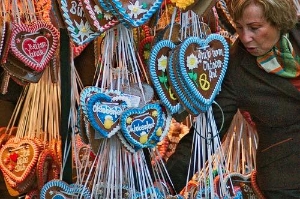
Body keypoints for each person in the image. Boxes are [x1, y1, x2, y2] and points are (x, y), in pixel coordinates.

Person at [166, 0, 300, 198]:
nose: (245, 37)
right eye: (239, 27)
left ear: (278, 22)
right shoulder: (236, 68)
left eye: (254, 28)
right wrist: (165, 183)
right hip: (285, 180)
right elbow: (207, 133)